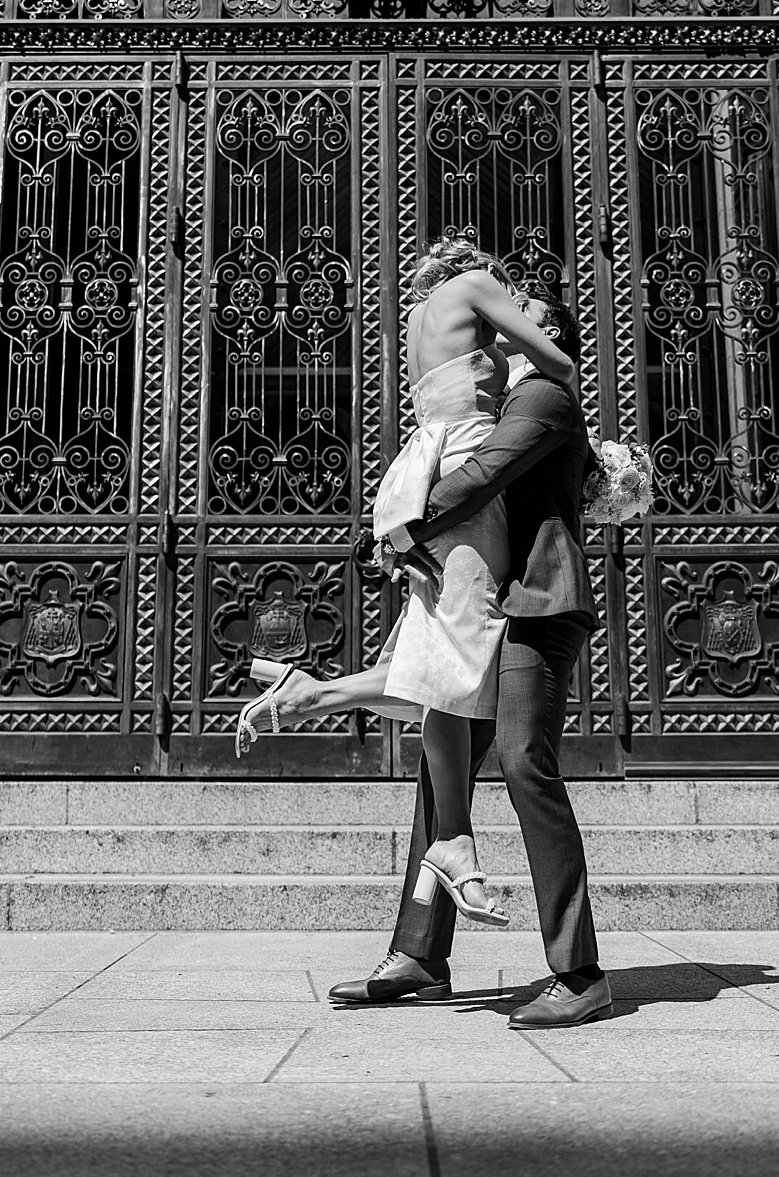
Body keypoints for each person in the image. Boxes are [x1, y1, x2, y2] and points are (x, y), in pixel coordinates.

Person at [235, 239, 575, 926]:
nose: (515, 315)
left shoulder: (423, 314)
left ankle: (323, 699)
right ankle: (449, 839)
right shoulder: (482, 287)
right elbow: (561, 364)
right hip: (464, 471)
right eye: (517, 304)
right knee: (460, 659)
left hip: (421, 468)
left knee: (438, 656)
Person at [331, 292, 610, 1028]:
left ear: (547, 335)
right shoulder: (503, 395)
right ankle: (419, 952)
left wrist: (394, 529)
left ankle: (580, 971)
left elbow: (484, 471)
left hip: (538, 605)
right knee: (443, 760)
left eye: (529, 312)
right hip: (498, 604)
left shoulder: (543, 395)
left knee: (525, 763)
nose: (507, 318)